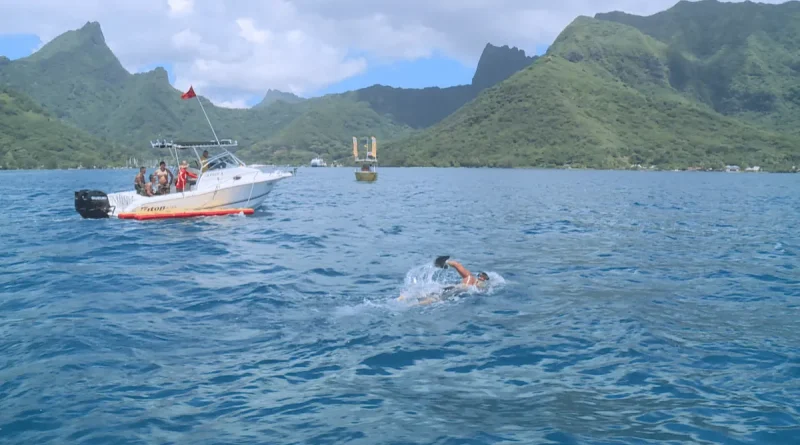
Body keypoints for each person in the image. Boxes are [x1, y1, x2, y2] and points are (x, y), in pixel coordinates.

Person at [398, 257, 489, 305]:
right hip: (457, 290)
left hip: (455, 288)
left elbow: (457, 264)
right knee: (436, 298)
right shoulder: (478, 285)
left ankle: (403, 297)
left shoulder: (469, 277)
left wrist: (445, 262)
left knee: (432, 292)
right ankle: (411, 305)